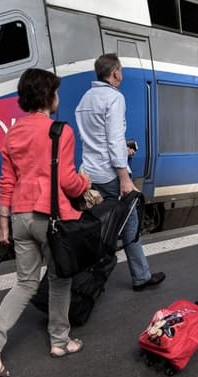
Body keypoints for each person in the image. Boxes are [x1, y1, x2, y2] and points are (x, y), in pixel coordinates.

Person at [0, 68, 91, 377]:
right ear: (49, 96)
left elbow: (6, 180)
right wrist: (84, 183)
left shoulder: (13, 133)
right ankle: (59, 342)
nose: (58, 98)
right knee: (60, 279)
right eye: (56, 92)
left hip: (20, 217)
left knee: (25, 283)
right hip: (50, 218)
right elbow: (66, 180)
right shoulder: (60, 131)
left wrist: (3, 224)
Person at [75, 53, 165, 291]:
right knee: (129, 222)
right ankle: (141, 276)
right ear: (114, 73)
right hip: (110, 174)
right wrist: (124, 178)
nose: (121, 75)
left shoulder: (85, 99)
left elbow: (96, 138)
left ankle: (89, 280)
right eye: (121, 71)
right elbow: (113, 139)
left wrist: (122, 149)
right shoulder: (114, 98)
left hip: (89, 172)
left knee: (95, 226)